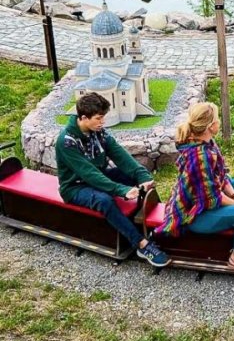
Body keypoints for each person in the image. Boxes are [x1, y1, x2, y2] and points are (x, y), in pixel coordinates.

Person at [55, 92, 171, 267]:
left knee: (132, 176)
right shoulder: (67, 141)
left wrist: (143, 177)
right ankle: (141, 244)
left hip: (99, 177)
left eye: (103, 118)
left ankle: (158, 225)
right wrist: (121, 190)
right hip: (75, 187)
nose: (103, 122)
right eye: (99, 118)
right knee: (105, 200)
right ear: (84, 118)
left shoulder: (98, 132)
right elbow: (88, 174)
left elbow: (121, 156)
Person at [155, 102, 234, 275]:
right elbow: (212, 199)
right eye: (217, 119)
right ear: (211, 126)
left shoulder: (207, 142)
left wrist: (233, 194)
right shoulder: (199, 156)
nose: (219, 122)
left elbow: (220, 175)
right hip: (195, 214)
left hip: (208, 198)